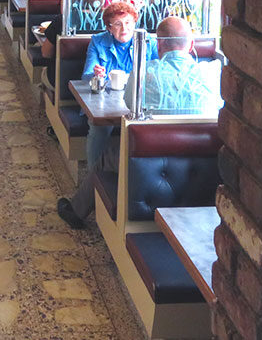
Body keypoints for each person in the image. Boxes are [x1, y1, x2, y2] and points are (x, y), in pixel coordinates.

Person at [57, 17, 214, 229]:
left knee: (109, 154)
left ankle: (77, 211)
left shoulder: (145, 74)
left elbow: (129, 103)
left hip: (149, 166)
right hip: (204, 169)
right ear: (192, 44)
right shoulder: (212, 75)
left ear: (158, 44)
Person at [82, 0, 158, 166]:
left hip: (138, 98)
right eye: (117, 24)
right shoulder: (97, 42)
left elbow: (158, 72)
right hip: (106, 101)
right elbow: (86, 76)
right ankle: (93, 174)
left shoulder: (147, 41)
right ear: (109, 28)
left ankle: (132, 174)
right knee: (100, 127)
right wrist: (97, 75)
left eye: (128, 22)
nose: (124, 28)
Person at [40, 0, 104, 88]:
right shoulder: (104, 22)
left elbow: (46, 53)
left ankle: (44, 101)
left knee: (43, 72)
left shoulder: (63, 21)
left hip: (62, 82)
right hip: (97, 82)